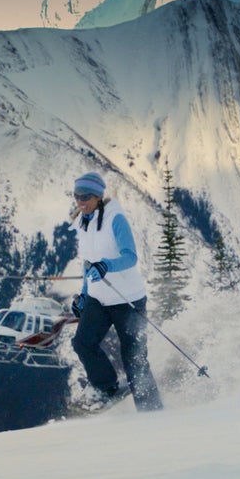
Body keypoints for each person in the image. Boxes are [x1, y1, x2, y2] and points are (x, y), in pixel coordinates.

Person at [68, 172, 163, 411]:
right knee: (82, 343)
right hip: (99, 298)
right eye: (77, 195)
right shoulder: (82, 221)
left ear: (98, 196)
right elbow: (88, 262)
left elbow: (130, 257)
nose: (81, 201)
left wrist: (107, 265)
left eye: (86, 196)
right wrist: (84, 294)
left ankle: (152, 412)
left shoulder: (115, 218)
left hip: (128, 300)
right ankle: (107, 388)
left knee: (134, 359)